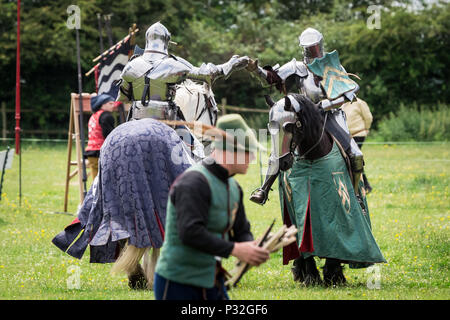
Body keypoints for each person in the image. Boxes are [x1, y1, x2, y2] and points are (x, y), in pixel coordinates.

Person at [154, 114, 270, 300]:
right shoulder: (193, 182)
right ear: (230, 150)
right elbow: (190, 232)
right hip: (178, 283)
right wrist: (235, 250)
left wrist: (252, 246)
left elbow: (241, 231)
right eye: (249, 151)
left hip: (211, 280)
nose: (254, 157)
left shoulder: (234, 187)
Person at [247, 27, 364, 204]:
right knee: (282, 142)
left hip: (331, 115)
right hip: (306, 116)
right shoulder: (297, 67)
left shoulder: (332, 66)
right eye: (309, 47)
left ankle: (355, 196)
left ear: (320, 44)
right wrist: (256, 71)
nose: (312, 51)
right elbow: (272, 78)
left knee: (355, 154)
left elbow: (352, 88)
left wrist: (325, 104)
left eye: (314, 46)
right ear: (303, 48)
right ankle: (263, 189)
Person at [342, 98, 373, 193]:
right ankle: (363, 185)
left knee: (355, 159)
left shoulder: (360, 103)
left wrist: (366, 128)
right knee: (352, 160)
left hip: (358, 134)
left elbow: (368, 117)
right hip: (348, 136)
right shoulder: (343, 105)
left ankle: (365, 186)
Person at [85, 93, 117, 179]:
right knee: (105, 181)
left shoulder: (94, 116)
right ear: (102, 105)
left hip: (91, 152)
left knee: (96, 181)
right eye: (110, 103)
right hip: (101, 152)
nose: (113, 105)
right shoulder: (106, 116)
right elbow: (109, 136)